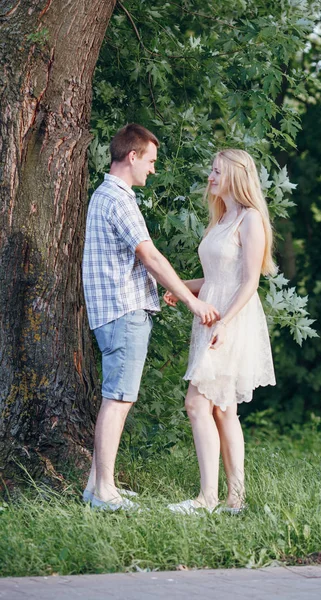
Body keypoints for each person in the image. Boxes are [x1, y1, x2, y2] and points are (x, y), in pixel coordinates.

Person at [82, 123, 220, 511]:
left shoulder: (104, 195)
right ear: (132, 156)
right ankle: (105, 492)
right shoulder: (120, 200)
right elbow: (151, 256)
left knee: (117, 396)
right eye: (151, 161)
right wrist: (192, 302)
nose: (153, 170)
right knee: (118, 400)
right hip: (124, 312)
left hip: (112, 312)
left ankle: (96, 486)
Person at [164, 149, 276, 514]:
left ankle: (207, 498)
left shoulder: (250, 219)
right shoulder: (222, 219)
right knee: (223, 410)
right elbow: (215, 278)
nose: (210, 177)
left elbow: (248, 282)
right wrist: (182, 288)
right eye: (211, 170)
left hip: (232, 320)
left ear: (236, 176)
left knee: (197, 403)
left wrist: (225, 323)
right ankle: (235, 499)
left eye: (216, 171)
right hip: (209, 317)